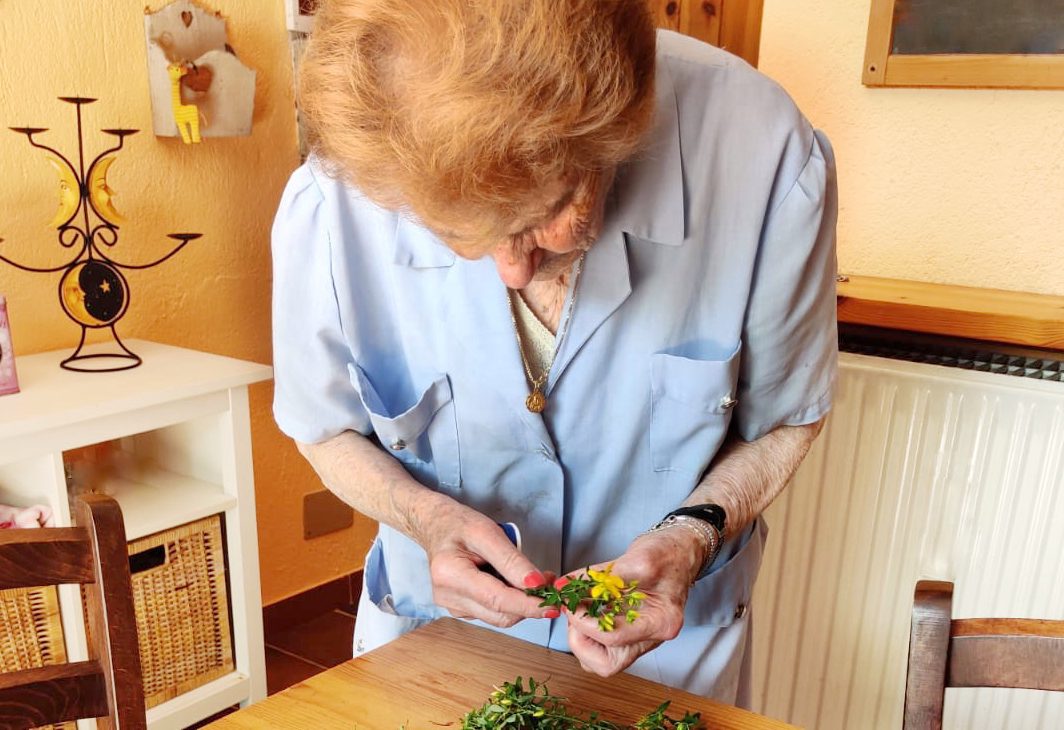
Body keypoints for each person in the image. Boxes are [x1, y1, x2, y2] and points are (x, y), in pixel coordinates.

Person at [272, 0, 837, 706]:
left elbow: (789, 417)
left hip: (667, 665)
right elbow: (325, 429)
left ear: (623, 121)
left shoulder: (766, 156)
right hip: (430, 648)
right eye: (460, 234)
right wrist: (428, 519)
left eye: (546, 214)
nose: (511, 269)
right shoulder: (335, 197)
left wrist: (695, 534)